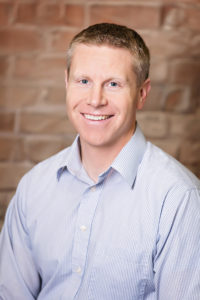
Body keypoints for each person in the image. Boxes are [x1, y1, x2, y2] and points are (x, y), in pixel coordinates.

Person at [0, 23, 200, 300]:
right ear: (66, 82)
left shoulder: (178, 198)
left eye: (114, 84)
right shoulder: (33, 187)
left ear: (142, 93)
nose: (95, 100)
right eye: (84, 81)